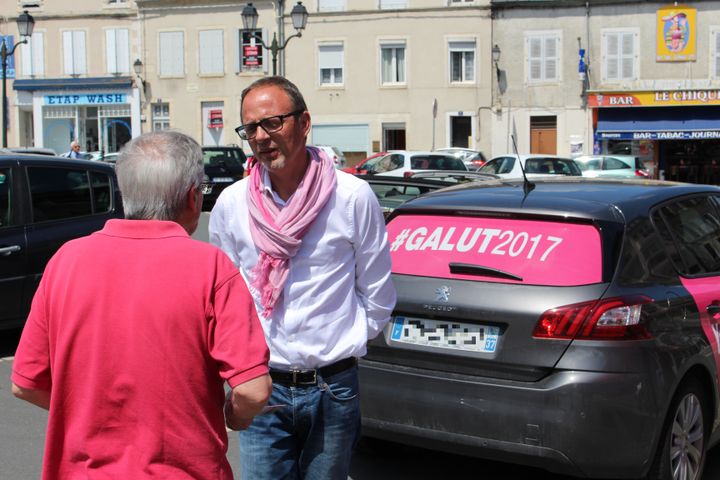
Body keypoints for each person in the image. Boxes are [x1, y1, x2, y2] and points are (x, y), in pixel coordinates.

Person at [11, 130, 272, 479]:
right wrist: (232, 416)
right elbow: (253, 391)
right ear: (192, 197)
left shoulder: (66, 261)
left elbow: (26, 382)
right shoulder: (210, 267)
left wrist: (91, 414)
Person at [209, 76, 396, 479]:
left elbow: (378, 292)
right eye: (251, 128)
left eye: (273, 123)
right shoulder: (232, 204)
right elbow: (226, 297)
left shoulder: (351, 197)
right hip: (262, 388)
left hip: (333, 387)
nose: (261, 137)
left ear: (304, 122)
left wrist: (346, 343)